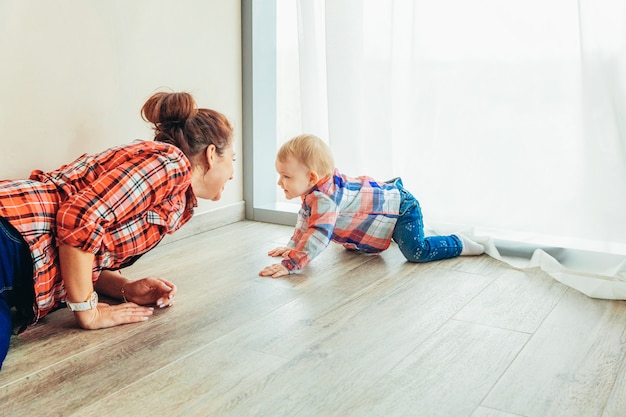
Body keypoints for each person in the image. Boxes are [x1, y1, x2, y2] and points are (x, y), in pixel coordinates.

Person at [0, 91, 235, 370]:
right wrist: (88, 313)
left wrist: (124, 288)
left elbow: (84, 245)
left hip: (20, 271)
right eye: (232, 158)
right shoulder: (171, 165)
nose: (232, 173)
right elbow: (79, 218)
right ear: (211, 155)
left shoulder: (172, 191)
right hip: (12, 238)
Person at [259, 133, 484, 278]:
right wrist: (293, 245)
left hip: (401, 209)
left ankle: (458, 243)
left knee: (416, 251)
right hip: (383, 208)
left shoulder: (325, 199)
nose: (280, 182)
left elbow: (318, 234)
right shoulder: (315, 192)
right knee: (351, 247)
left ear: (311, 177)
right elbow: (305, 220)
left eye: (286, 176)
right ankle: (393, 234)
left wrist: (291, 264)